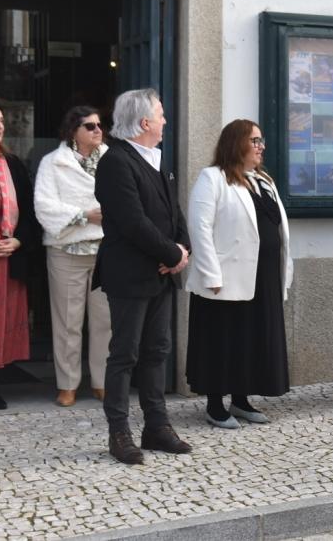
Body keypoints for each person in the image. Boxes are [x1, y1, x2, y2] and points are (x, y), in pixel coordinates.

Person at [94, 88, 191, 464]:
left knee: (157, 351)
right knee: (125, 354)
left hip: (162, 273)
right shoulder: (116, 162)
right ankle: (119, 432)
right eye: (161, 114)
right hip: (130, 274)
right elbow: (133, 222)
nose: (165, 120)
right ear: (145, 121)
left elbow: (174, 213)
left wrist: (182, 250)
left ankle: (157, 427)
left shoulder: (158, 158)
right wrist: (172, 253)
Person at [186, 120, 293, 428]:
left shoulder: (263, 180)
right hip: (226, 277)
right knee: (223, 339)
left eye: (261, 140)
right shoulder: (213, 178)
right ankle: (215, 405)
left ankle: (241, 400)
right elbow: (199, 227)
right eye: (255, 140)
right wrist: (211, 274)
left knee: (252, 339)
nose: (262, 146)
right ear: (236, 143)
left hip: (262, 276)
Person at [33, 106, 112, 407]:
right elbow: (44, 206)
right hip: (66, 250)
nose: (97, 130)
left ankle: (103, 381)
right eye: (89, 126)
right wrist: (84, 215)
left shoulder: (113, 160)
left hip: (105, 251)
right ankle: (67, 384)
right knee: (67, 321)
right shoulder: (53, 163)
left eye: (99, 125)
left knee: (105, 320)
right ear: (73, 131)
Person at [0, 105, 39, 411]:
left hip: (8, 259)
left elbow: (29, 209)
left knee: (2, 324)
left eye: (0, 121)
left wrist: (19, 240)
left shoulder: (13, 163)